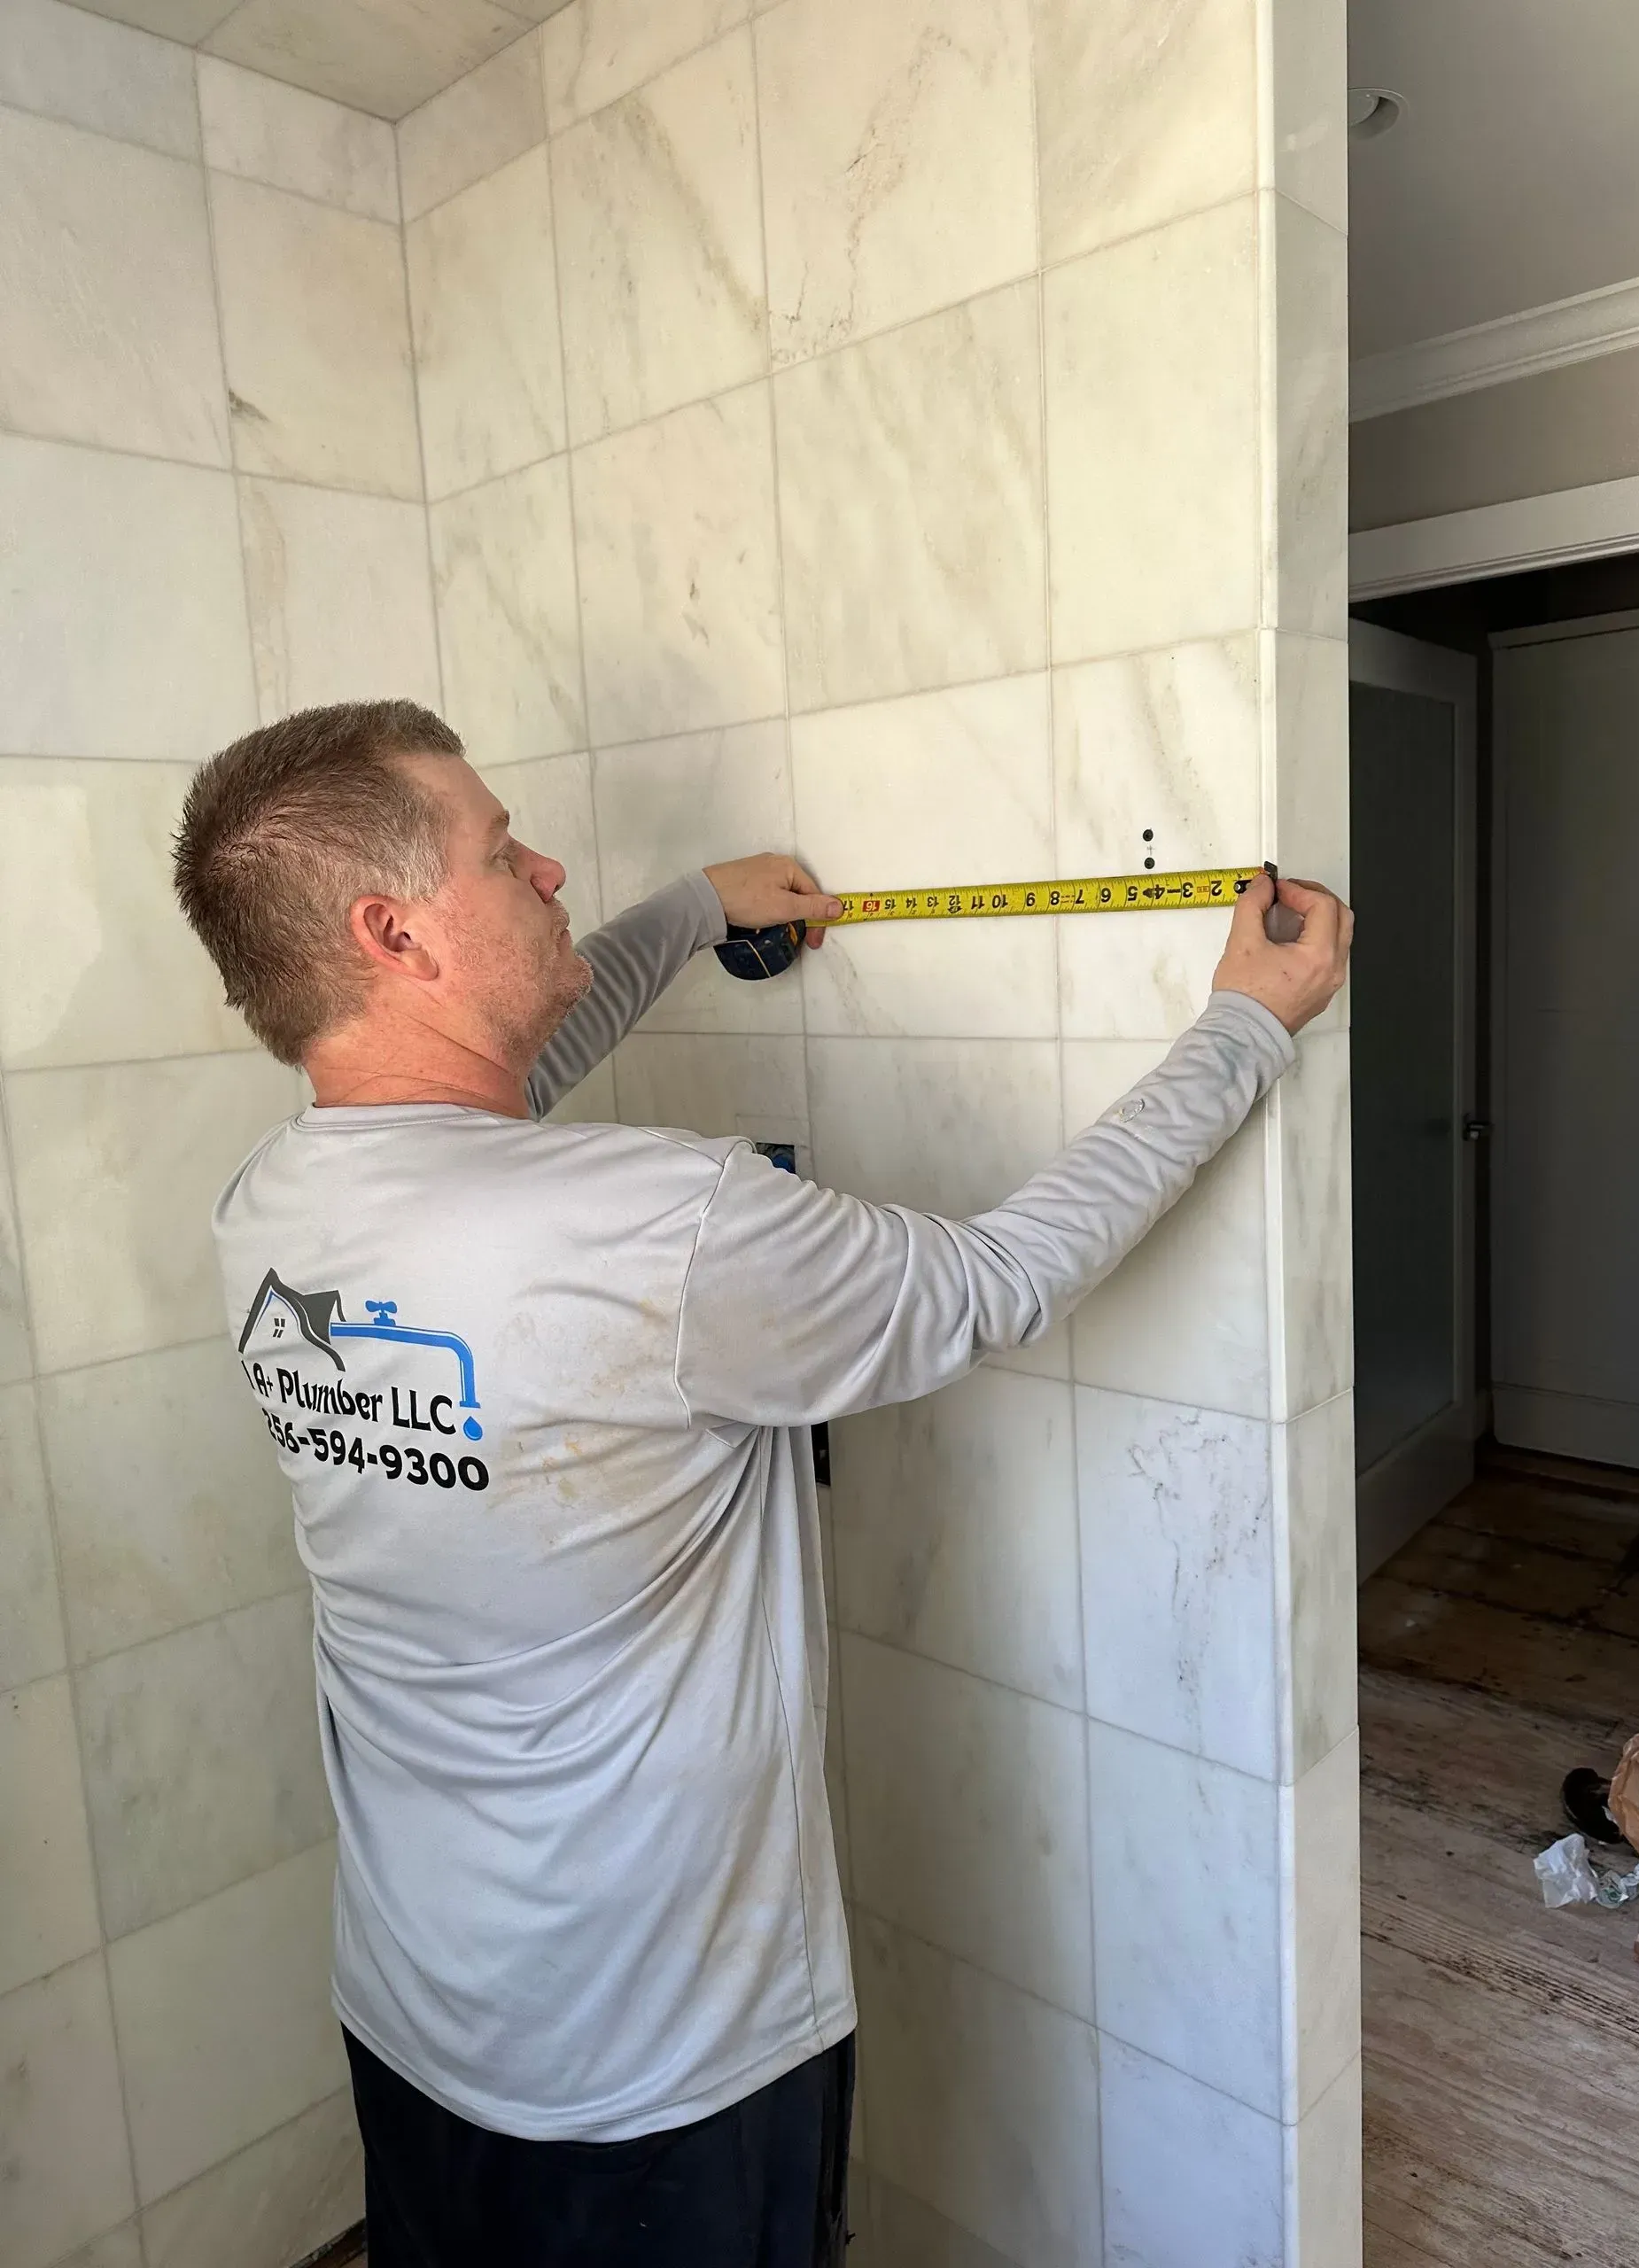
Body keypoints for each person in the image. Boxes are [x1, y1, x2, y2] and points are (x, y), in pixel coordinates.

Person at [172, 698, 1351, 2268]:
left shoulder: (271, 1208)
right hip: (665, 2056)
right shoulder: (662, 1224)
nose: (546, 860)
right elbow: (995, 1281)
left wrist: (682, 918)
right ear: (397, 934)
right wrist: (1246, 1027)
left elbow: (481, 1114)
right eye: (498, 850)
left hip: (415, 2011)